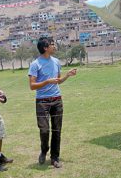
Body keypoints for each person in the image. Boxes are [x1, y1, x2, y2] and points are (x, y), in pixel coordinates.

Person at [28, 37, 77, 168]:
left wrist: (67, 75)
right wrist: (46, 82)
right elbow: (32, 86)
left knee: (57, 130)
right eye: (52, 44)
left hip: (57, 100)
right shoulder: (35, 64)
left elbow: (58, 80)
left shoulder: (56, 62)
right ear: (45, 47)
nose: (55, 46)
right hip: (42, 102)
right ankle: (44, 150)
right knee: (44, 130)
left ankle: (55, 158)